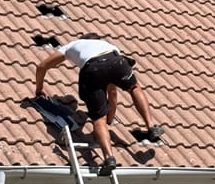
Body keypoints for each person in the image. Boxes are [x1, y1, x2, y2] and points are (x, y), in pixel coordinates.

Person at [34, 34, 163, 174]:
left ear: (83, 40)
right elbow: (112, 92)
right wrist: (111, 118)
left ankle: (109, 158)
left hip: (92, 69)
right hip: (116, 61)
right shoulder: (108, 46)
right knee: (134, 88)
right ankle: (151, 126)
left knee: (98, 118)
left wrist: (39, 89)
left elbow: (42, 66)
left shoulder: (72, 45)